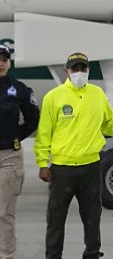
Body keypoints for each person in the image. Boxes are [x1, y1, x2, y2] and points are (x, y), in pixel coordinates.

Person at [34, 52, 113, 259]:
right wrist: (43, 163)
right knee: (55, 219)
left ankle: (92, 253)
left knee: (92, 218)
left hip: (91, 167)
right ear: (67, 71)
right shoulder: (54, 97)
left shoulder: (98, 94)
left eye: (83, 68)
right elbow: (44, 133)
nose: (79, 72)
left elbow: (109, 124)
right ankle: (53, 255)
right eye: (75, 68)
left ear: (88, 70)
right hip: (62, 169)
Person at [0, 45, 38, 259]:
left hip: (9, 157)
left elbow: (33, 118)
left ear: (9, 62)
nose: (1, 63)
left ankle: (6, 255)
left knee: (4, 213)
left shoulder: (19, 89)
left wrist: (15, 136)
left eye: (4, 59)